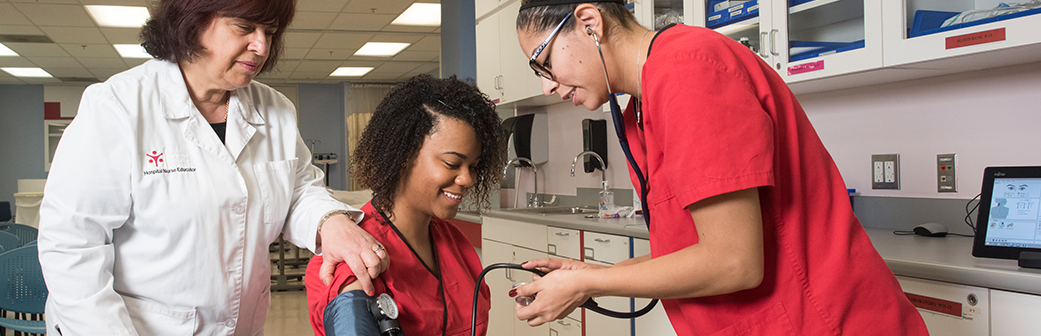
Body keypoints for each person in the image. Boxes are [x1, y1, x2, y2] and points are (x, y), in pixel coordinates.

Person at [509, 1, 929, 335]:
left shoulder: (688, 72)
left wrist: (589, 285)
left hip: (822, 321)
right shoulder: (647, 102)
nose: (546, 85)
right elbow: (691, 251)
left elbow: (733, 260)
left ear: (588, 22)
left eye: (542, 61)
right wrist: (592, 275)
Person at [37, 0, 389, 334]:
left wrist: (331, 221)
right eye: (245, 27)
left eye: (270, 32)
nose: (261, 46)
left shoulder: (275, 110)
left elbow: (298, 190)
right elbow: (72, 246)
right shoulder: (118, 107)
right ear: (192, 21)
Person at [305, 74, 506, 336]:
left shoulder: (454, 243)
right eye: (451, 164)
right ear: (403, 156)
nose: (467, 179)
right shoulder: (352, 258)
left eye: (474, 167)